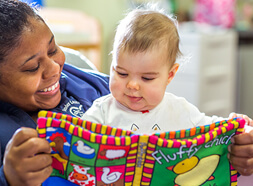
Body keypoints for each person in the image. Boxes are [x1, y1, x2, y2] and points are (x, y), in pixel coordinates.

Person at [80, 5, 253, 175]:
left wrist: (236, 125)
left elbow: (214, 130)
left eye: (147, 78)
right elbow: (77, 141)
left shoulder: (180, 110)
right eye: (122, 73)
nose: (132, 85)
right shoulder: (102, 111)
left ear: (170, 75)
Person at [0, 0, 110, 185]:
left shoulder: (87, 83)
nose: (54, 69)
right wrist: (9, 178)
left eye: (52, 50)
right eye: (33, 67)